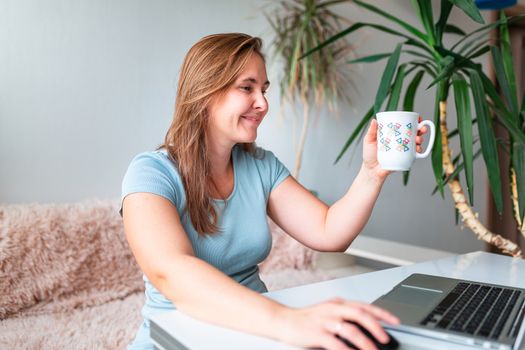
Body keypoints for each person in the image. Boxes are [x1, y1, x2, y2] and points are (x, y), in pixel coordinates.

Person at [122, 33, 428, 350]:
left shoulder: (260, 165)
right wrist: (286, 320)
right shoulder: (151, 173)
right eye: (247, 87)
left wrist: (371, 173)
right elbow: (171, 272)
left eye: (264, 90)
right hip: (177, 338)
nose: (263, 104)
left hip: (257, 335)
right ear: (204, 92)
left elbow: (329, 232)